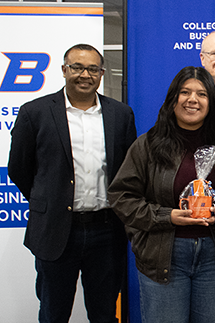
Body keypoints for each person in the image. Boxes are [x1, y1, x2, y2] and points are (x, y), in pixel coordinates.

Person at [8, 43, 136, 323]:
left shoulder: (120, 114)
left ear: (102, 74)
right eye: (77, 67)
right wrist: (49, 199)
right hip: (55, 231)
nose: (85, 75)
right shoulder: (36, 112)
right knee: (54, 313)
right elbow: (19, 169)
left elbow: (128, 171)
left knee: (104, 314)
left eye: (92, 69)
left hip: (106, 231)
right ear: (64, 70)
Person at [107, 66, 215, 322]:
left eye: (201, 94)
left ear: (211, 101)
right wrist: (168, 216)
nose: (192, 100)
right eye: (185, 92)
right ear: (172, 98)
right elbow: (121, 197)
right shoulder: (148, 144)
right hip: (162, 255)